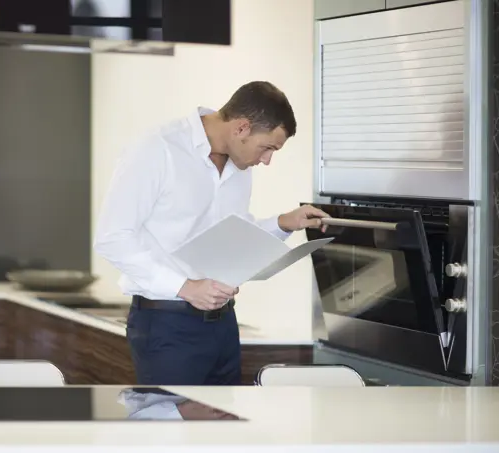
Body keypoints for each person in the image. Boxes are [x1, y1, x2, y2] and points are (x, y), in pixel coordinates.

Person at [94, 81, 329, 386]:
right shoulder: (158, 148)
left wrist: (284, 222)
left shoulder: (240, 168)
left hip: (224, 326)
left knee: (222, 431)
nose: (267, 160)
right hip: (167, 326)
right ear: (241, 128)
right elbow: (113, 237)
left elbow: (232, 236)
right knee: (173, 432)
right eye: (268, 148)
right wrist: (185, 286)